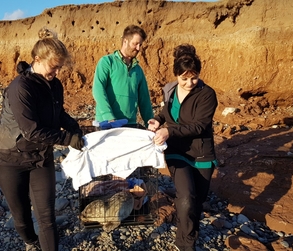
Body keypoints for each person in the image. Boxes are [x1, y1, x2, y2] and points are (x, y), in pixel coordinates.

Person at [0, 27, 84, 251]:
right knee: (22, 219)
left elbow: (57, 112)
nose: (57, 72)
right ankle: (31, 241)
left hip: (41, 157)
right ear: (38, 60)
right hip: (10, 160)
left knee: (47, 216)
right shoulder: (20, 88)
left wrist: (72, 125)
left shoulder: (55, 85)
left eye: (60, 67)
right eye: (54, 67)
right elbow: (31, 130)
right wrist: (67, 138)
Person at [148, 44, 218, 251]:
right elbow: (166, 113)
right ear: (176, 75)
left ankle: (185, 229)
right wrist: (157, 120)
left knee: (197, 202)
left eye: (194, 77)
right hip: (177, 151)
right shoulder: (169, 90)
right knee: (187, 198)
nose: (189, 83)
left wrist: (169, 131)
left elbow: (199, 125)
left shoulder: (207, 94)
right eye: (184, 78)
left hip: (202, 153)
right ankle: (185, 245)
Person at [92, 24, 154, 129]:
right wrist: (108, 116)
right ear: (125, 41)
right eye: (135, 44)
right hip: (106, 123)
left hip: (129, 124)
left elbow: (145, 100)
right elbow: (98, 89)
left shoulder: (138, 70)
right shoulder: (107, 62)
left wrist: (150, 123)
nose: (138, 48)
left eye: (140, 45)